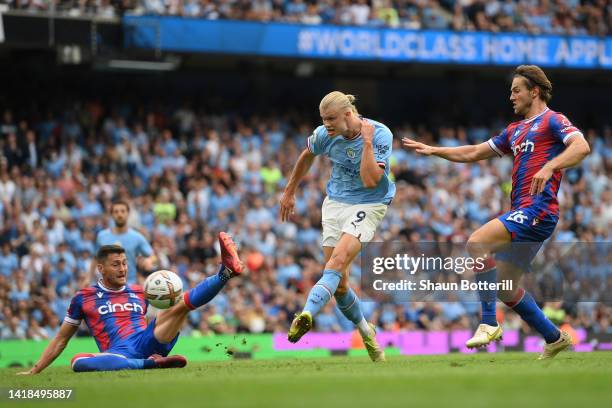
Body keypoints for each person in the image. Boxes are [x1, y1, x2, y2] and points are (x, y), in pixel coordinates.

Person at [402, 65, 590, 359]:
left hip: (538, 208)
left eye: (516, 90)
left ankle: (488, 323)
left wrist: (552, 165)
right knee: (505, 287)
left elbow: (582, 147)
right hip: (525, 211)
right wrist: (435, 150)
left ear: (534, 91)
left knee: (477, 242)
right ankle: (554, 337)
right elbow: (474, 152)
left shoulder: (554, 120)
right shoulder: (514, 131)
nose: (511, 97)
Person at [17, 233, 244, 374]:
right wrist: (35, 370)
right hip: (116, 354)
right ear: (101, 268)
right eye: (116, 264)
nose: (123, 269)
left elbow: (150, 319)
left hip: (146, 342)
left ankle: (224, 272)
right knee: (77, 362)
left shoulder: (139, 290)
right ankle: (152, 364)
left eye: (125, 263)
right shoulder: (83, 297)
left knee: (178, 307)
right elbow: (61, 338)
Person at [280, 91, 395, 362]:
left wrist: (366, 143)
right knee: (340, 285)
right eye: (323, 119)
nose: (326, 124)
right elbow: (307, 154)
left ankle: (306, 313)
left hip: (369, 203)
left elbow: (370, 180)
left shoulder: (379, 134)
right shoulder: (324, 134)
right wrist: (289, 190)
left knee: (335, 263)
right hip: (334, 204)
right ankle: (367, 332)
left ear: (348, 115)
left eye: (331, 118)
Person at [89, 200, 157, 284]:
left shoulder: (137, 237)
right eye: (116, 212)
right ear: (112, 215)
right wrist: (88, 278)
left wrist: (149, 261)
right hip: (107, 285)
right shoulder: (102, 236)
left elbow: (152, 255)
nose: (119, 214)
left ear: (128, 213)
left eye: (122, 211)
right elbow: (96, 258)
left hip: (130, 284)